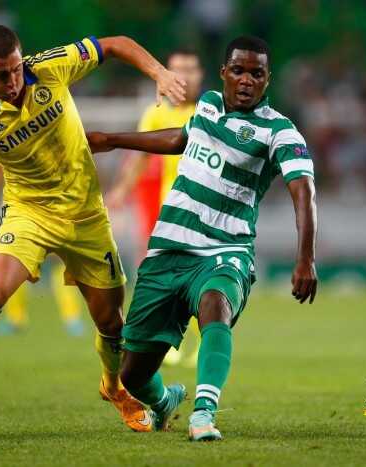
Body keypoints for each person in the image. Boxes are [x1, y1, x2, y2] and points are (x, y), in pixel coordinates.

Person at [0, 24, 186, 433]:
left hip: (86, 215)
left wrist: (159, 73)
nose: (13, 80)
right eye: (1, 75)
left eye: (16, 69)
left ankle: (114, 388)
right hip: (30, 214)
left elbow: (115, 44)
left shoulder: (50, 67)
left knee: (112, 323)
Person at [87, 35, 318, 441]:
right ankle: (164, 402)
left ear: (267, 80)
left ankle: (204, 414)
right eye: (239, 71)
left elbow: (303, 191)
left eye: (257, 74)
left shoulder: (279, 131)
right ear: (224, 72)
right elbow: (181, 138)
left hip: (224, 249)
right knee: (132, 374)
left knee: (216, 304)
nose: (246, 80)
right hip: (168, 248)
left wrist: (305, 258)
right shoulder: (208, 104)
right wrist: (113, 140)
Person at [106, 49, 204, 367]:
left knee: (201, 278)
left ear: (200, 74)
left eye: (190, 69)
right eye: (177, 69)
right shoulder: (156, 113)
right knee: (168, 279)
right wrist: (121, 190)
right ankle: (169, 341)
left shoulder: (211, 111)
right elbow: (141, 157)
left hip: (206, 210)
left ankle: (204, 342)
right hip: (170, 208)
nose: (184, 76)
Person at [0, 156, 85, 336]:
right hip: (19, 207)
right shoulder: (0, 137)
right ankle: (16, 318)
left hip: (54, 202)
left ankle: (72, 317)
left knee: (59, 258)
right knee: (15, 259)